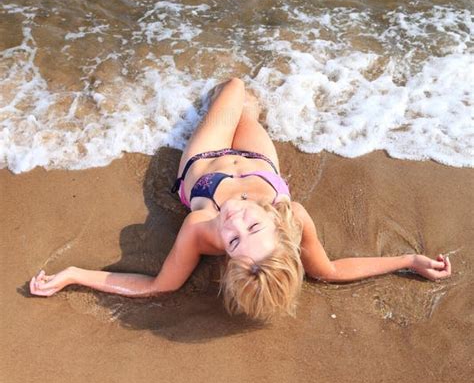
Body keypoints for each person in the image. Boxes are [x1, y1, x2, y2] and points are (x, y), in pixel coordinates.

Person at [30, 78, 451, 319]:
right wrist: (408, 260)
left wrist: (72, 275)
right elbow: (332, 270)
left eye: (232, 240)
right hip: (256, 161)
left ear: (227, 255)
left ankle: (219, 102)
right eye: (252, 226)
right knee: (245, 99)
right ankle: (245, 104)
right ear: (278, 228)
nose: (232, 220)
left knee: (232, 86)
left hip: (205, 163)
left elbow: (157, 286)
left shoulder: (199, 230)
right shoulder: (294, 214)